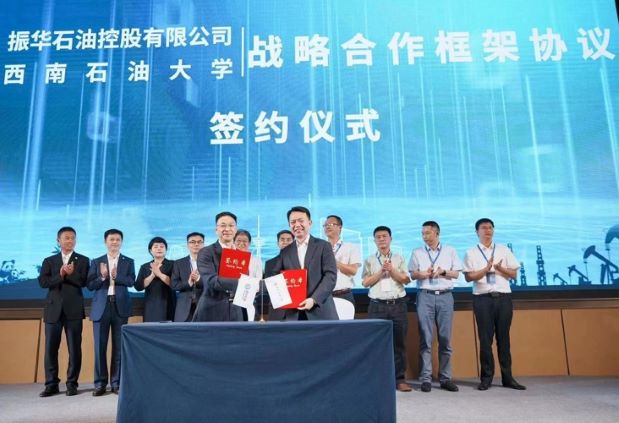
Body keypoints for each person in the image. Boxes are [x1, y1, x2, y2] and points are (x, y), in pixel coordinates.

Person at [463, 218, 526, 391]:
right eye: (484, 228)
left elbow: (513, 274)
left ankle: (508, 378)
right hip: (482, 299)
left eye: (490, 227)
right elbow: (468, 277)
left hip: (504, 298)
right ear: (477, 232)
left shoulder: (504, 250)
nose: (488, 230)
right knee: (485, 340)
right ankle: (486, 378)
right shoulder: (471, 252)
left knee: (504, 339)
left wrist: (499, 268)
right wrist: (486, 269)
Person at [409, 221, 462, 393]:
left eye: (428, 233)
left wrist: (443, 272)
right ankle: (426, 379)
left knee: (445, 339)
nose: (424, 236)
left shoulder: (450, 251)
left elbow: (456, 273)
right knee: (425, 339)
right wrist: (423, 274)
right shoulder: (417, 252)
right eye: (422, 233)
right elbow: (412, 274)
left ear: (437, 233)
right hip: (425, 296)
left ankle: (445, 378)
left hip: (445, 296)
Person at [37, 227, 89, 397]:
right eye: (66, 238)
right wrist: (60, 275)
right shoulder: (49, 260)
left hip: (73, 310)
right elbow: (43, 282)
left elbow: (84, 282)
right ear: (58, 240)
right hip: (53, 310)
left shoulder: (83, 260)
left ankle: (72, 384)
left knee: (74, 348)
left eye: (73, 238)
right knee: (50, 349)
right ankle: (51, 384)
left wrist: (70, 275)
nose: (70, 241)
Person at [362, 226, 412, 392]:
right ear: (374, 241)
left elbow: (406, 279)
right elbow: (365, 283)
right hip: (377, 306)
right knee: (376, 344)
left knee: (399, 344)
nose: (382, 239)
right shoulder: (369, 260)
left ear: (390, 239)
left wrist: (392, 270)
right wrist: (380, 272)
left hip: (397, 305)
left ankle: (400, 379)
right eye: (378, 237)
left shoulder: (399, 258)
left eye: (384, 236)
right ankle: (378, 379)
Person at [87, 229, 135, 396]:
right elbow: (90, 285)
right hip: (101, 307)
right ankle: (100, 383)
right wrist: (102, 277)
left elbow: (131, 281)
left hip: (120, 307)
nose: (114, 242)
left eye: (117, 239)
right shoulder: (97, 261)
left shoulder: (128, 261)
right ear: (105, 241)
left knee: (118, 347)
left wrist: (117, 276)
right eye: (111, 239)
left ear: (121, 242)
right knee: (99, 347)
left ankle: (116, 383)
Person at [271, 206, 338, 320]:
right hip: (294, 314)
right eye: (293, 222)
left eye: (301, 221)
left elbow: (330, 276)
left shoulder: (323, 246)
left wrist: (314, 299)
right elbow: (275, 278)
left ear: (310, 223)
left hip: (320, 311)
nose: (297, 225)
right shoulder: (285, 252)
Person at [193, 212, 244, 322]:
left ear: (235, 229)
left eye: (231, 225)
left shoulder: (240, 255)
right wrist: (242, 282)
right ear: (216, 230)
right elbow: (211, 281)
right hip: (212, 310)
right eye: (223, 225)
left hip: (235, 312)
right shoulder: (206, 252)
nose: (227, 229)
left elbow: (245, 282)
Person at [323, 215, 361, 305]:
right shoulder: (320, 248)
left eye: (331, 224)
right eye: (325, 225)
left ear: (340, 227)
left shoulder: (351, 247)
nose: (327, 227)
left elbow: (353, 271)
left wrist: (335, 262)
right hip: (324, 295)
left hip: (344, 294)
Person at [135, 237, 175, 322]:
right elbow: (138, 287)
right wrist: (152, 275)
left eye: (162, 246)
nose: (159, 249)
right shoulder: (145, 267)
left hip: (169, 303)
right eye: (156, 246)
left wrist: (159, 274)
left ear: (166, 250)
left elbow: (175, 284)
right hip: (150, 305)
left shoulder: (173, 264)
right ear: (150, 250)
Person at [171, 232, 205, 322]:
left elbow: (213, 283)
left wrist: (198, 280)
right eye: (192, 242)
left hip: (204, 306)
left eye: (199, 242)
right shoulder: (178, 263)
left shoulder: (209, 262)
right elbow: (174, 285)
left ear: (203, 244)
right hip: (184, 309)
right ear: (187, 245)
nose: (196, 244)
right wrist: (188, 283)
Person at [263, 230, 293, 321]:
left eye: (288, 240)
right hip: (277, 308)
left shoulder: (301, 261)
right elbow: (268, 286)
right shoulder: (269, 263)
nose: (285, 242)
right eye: (282, 240)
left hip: (297, 308)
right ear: (278, 243)